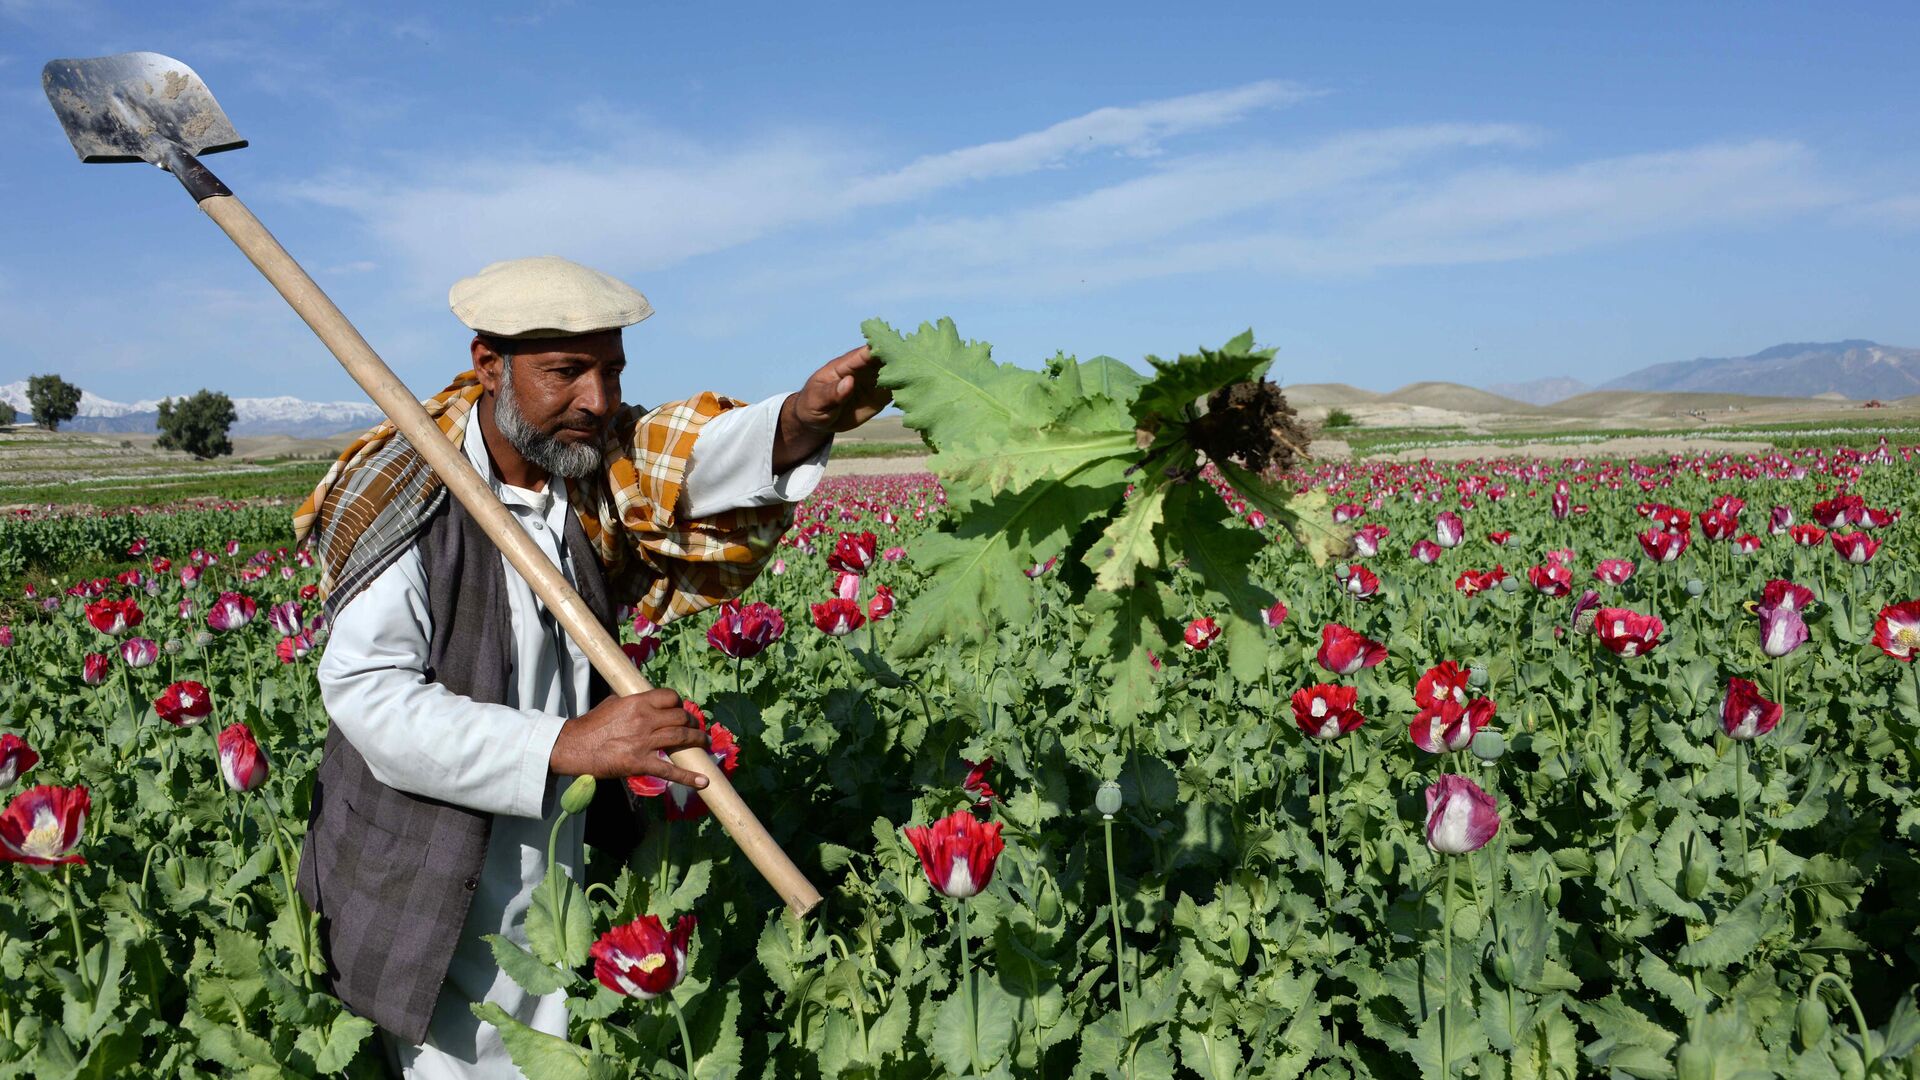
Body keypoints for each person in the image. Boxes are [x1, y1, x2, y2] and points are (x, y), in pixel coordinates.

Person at [290, 255, 889, 1077]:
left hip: (559, 840)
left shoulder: (589, 466)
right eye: (566, 372)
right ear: (488, 365)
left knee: (562, 1027)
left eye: (610, 372)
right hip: (427, 847)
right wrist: (564, 744)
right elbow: (372, 702)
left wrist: (800, 420)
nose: (597, 400)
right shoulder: (407, 491)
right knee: (470, 1052)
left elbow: (689, 460)